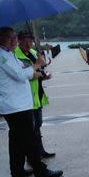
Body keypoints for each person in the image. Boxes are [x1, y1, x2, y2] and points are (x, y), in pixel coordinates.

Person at [0, 27, 63, 177]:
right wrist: (36, 65)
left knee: (16, 140)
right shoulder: (1, 56)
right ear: (7, 39)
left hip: (18, 103)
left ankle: (16, 171)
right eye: (14, 37)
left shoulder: (8, 54)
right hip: (16, 105)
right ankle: (40, 171)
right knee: (30, 139)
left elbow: (23, 69)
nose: (16, 40)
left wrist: (36, 72)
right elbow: (19, 74)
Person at [14, 30, 55, 158]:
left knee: (38, 124)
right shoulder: (16, 55)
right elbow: (24, 74)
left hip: (37, 94)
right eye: (25, 41)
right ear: (18, 41)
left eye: (31, 40)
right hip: (26, 96)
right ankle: (32, 155)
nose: (29, 43)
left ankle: (40, 150)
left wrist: (44, 75)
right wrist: (37, 66)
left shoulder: (32, 52)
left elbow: (38, 71)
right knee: (30, 128)